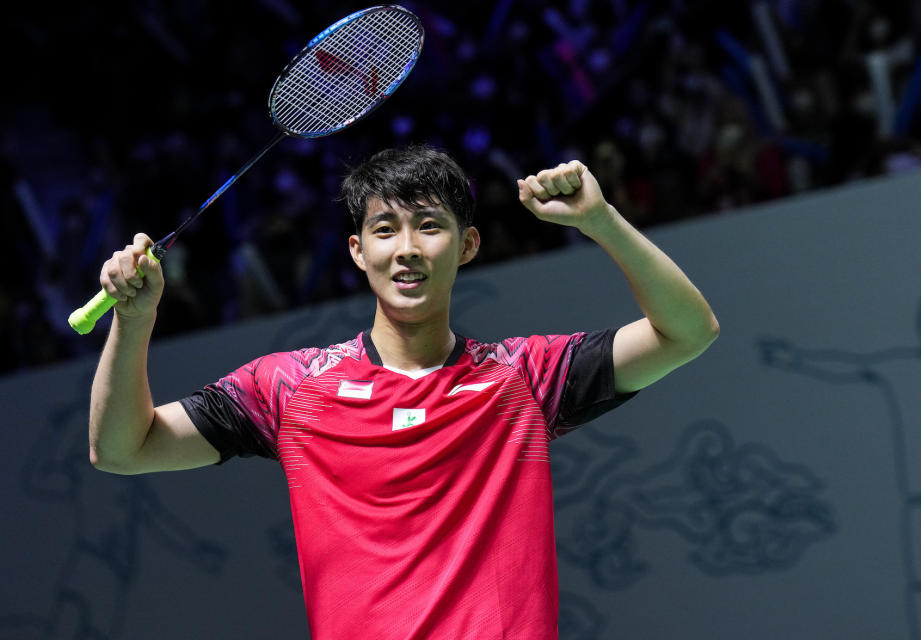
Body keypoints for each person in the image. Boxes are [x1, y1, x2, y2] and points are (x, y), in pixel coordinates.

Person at [88, 145, 719, 639]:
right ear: (359, 253)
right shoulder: (289, 389)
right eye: (386, 230)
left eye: (430, 227)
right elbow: (122, 448)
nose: (408, 250)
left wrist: (600, 220)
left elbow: (689, 331)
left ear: (467, 245)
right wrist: (134, 320)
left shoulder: (522, 380)